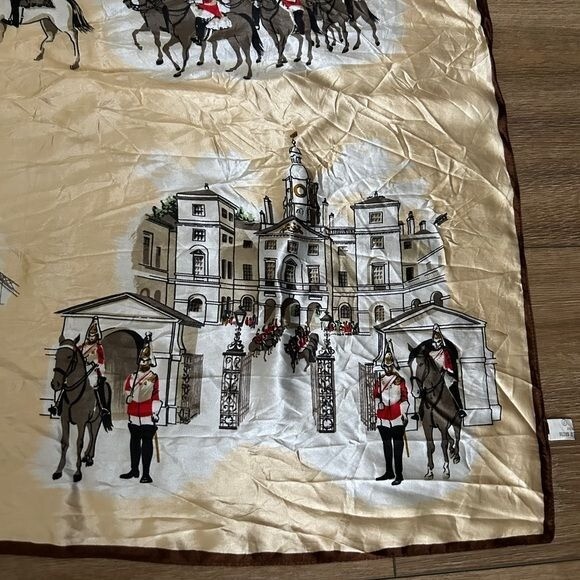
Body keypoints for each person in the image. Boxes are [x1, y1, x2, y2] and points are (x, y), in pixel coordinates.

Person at [120, 333, 162, 484]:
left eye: (146, 361)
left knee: (146, 444)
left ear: (150, 362)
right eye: (142, 360)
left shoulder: (153, 378)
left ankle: (146, 473)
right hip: (133, 414)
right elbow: (127, 389)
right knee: (134, 443)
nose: (143, 363)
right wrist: (128, 396)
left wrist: (155, 412)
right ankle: (134, 470)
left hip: (147, 415)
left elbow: (156, 395)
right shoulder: (132, 376)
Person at [373, 343, 409, 486]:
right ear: (383, 366)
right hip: (383, 417)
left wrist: (403, 412)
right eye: (386, 366)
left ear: (393, 366)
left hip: (397, 417)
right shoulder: (379, 381)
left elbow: (404, 397)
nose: (388, 368)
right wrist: (378, 402)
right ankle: (389, 472)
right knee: (387, 446)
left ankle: (399, 474)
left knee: (398, 447)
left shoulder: (400, 381)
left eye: (390, 366)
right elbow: (375, 394)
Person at [423, 325, 466, 418]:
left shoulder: (445, 351)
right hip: (433, 374)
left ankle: (459, 409)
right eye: (435, 341)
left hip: (445, 373)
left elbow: (451, 359)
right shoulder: (430, 353)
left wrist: (446, 370)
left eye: (439, 341)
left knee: (452, 388)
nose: (437, 343)